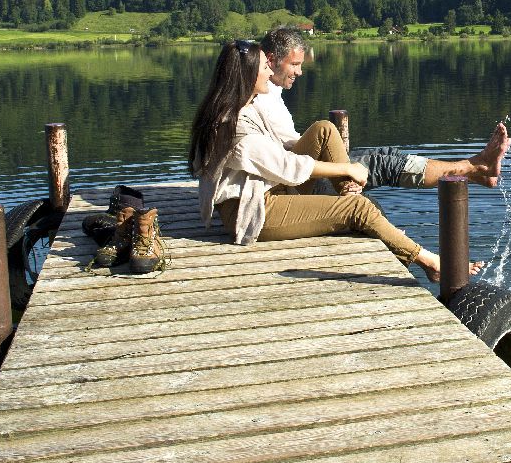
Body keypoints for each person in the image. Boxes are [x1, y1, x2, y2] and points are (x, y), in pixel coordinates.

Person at [188, 39, 467, 281]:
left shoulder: (245, 106)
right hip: (252, 211)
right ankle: (430, 262)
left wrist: (341, 174)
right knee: (358, 207)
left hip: (269, 190)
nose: (271, 70)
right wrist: (347, 167)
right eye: (264, 67)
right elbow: (288, 167)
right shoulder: (233, 126)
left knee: (324, 129)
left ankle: (353, 208)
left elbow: (282, 151)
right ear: (248, 75)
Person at [258, 25, 509, 194]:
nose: (300, 72)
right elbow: (278, 157)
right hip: (297, 184)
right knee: (381, 164)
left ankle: (475, 172)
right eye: (295, 64)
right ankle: (476, 166)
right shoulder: (256, 96)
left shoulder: (271, 89)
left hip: (303, 173)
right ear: (271, 59)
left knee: (385, 154)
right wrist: (339, 167)